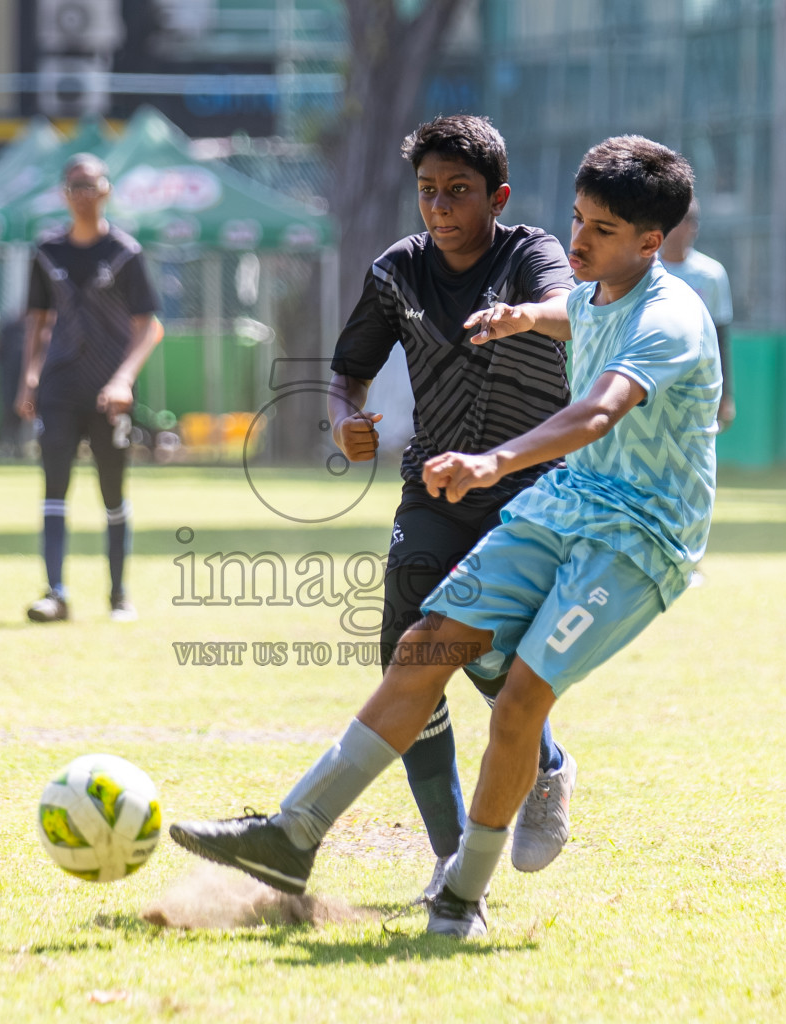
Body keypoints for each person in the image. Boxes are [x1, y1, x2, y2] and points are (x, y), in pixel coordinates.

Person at [171, 136, 719, 940]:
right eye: (577, 218)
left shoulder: (670, 318)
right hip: (565, 505)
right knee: (424, 645)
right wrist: (520, 315)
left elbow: (597, 411)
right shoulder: (597, 290)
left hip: (636, 538)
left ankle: (461, 893)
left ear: (650, 240)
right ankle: (291, 836)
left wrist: (494, 457)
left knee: (522, 700)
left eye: (601, 230)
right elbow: (567, 313)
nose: (578, 241)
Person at [326, 115, 579, 895]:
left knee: (479, 642)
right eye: (428, 192)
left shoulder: (532, 254)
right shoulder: (397, 271)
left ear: (496, 196)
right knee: (408, 637)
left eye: (459, 192)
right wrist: (344, 418)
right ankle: (446, 852)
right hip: (435, 484)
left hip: (530, 485)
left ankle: (545, 762)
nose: (439, 207)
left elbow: (577, 313)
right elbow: (348, 373)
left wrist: (526, 316)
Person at [16, 153, 163, 624]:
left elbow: (149, 327)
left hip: (107, 390)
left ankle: (119, 595)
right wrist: (29, 376)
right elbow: (37, 322)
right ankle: (54, 593)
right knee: (54, 488)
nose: (82, 194)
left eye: (90, 184)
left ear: (106, 191)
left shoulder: (124, 253)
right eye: (74, 185)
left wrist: (124, 378)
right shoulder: (46, 252)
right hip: (59, 386)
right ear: (64, 194)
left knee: (111, 491)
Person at [659, 197, 735, 430]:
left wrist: (726, 395)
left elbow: (719, 338)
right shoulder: (645, 270)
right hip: (655, 375)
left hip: (697, 381)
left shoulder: (711, 274)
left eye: (690, 220)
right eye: (677, 220)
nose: (683, 227)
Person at [0, 313, 26, 456]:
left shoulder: (30, 329)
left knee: (22, 414)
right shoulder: (10, 329)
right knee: (8, 412)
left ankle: (17, 446)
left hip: (25, 384)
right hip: (9, 381)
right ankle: (5, 445)